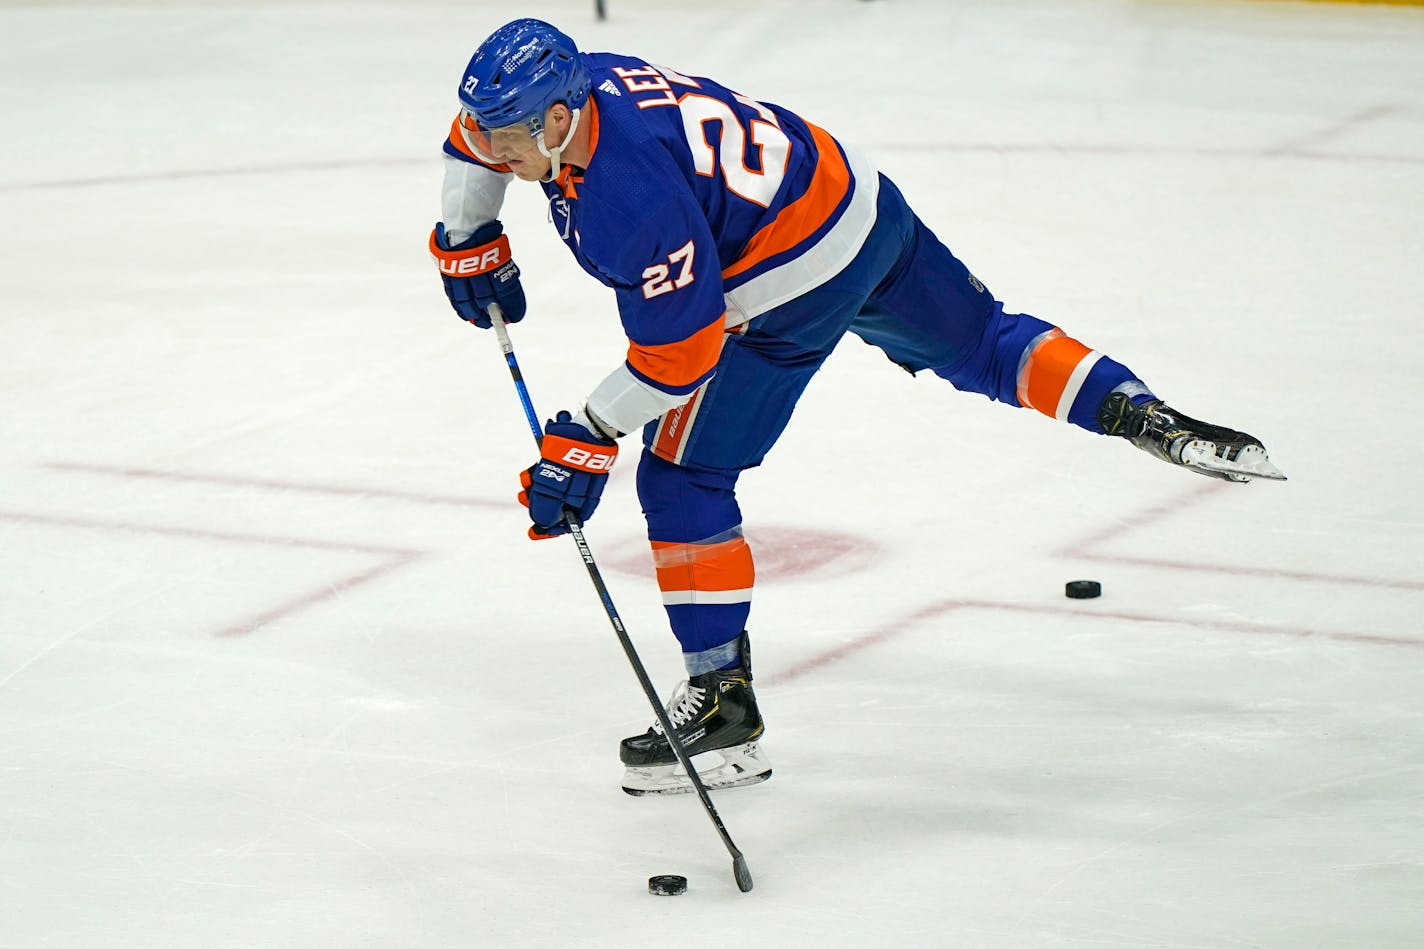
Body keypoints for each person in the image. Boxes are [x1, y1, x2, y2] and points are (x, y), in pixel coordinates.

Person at [429, 19, 1285, 796]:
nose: (497, 152)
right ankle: (1139, 412)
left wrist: (586, 432)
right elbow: (471, 142)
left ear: (560, 117)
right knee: (983, 338)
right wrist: (466, 236)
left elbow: (681, 351)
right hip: (859, 202)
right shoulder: (580, 88)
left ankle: (725, 710)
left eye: (512, 137)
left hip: (788, 277)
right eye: (494, 132)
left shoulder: (628, 200)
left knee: (684, 474)